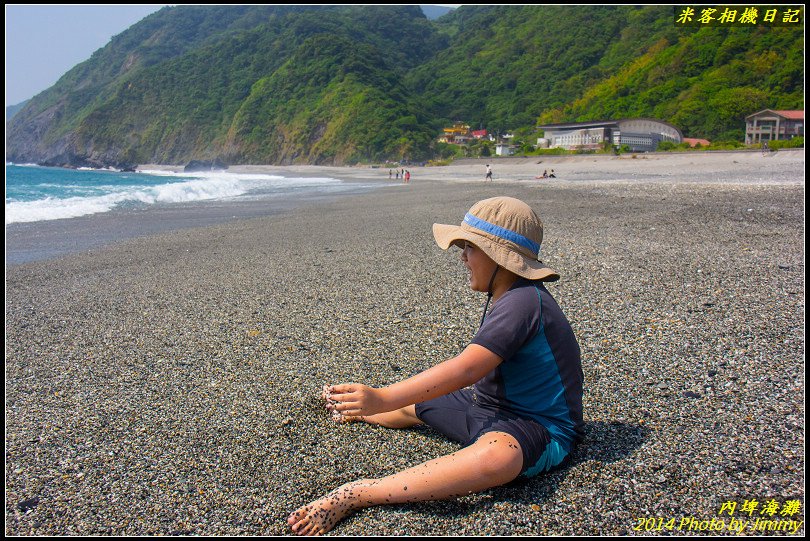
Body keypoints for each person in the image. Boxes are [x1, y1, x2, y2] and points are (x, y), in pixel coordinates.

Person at [288, 196, 584, 536]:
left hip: (541, 426)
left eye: (469, 248)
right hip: (486, 406)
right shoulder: (511, 294)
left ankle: (359, 493)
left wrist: (382, 396)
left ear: (497, 256)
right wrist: (377, 401)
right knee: (412, 405)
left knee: (496, 458)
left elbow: (466, 369)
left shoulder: (524, 302)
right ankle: (356, 408)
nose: (462, 257)